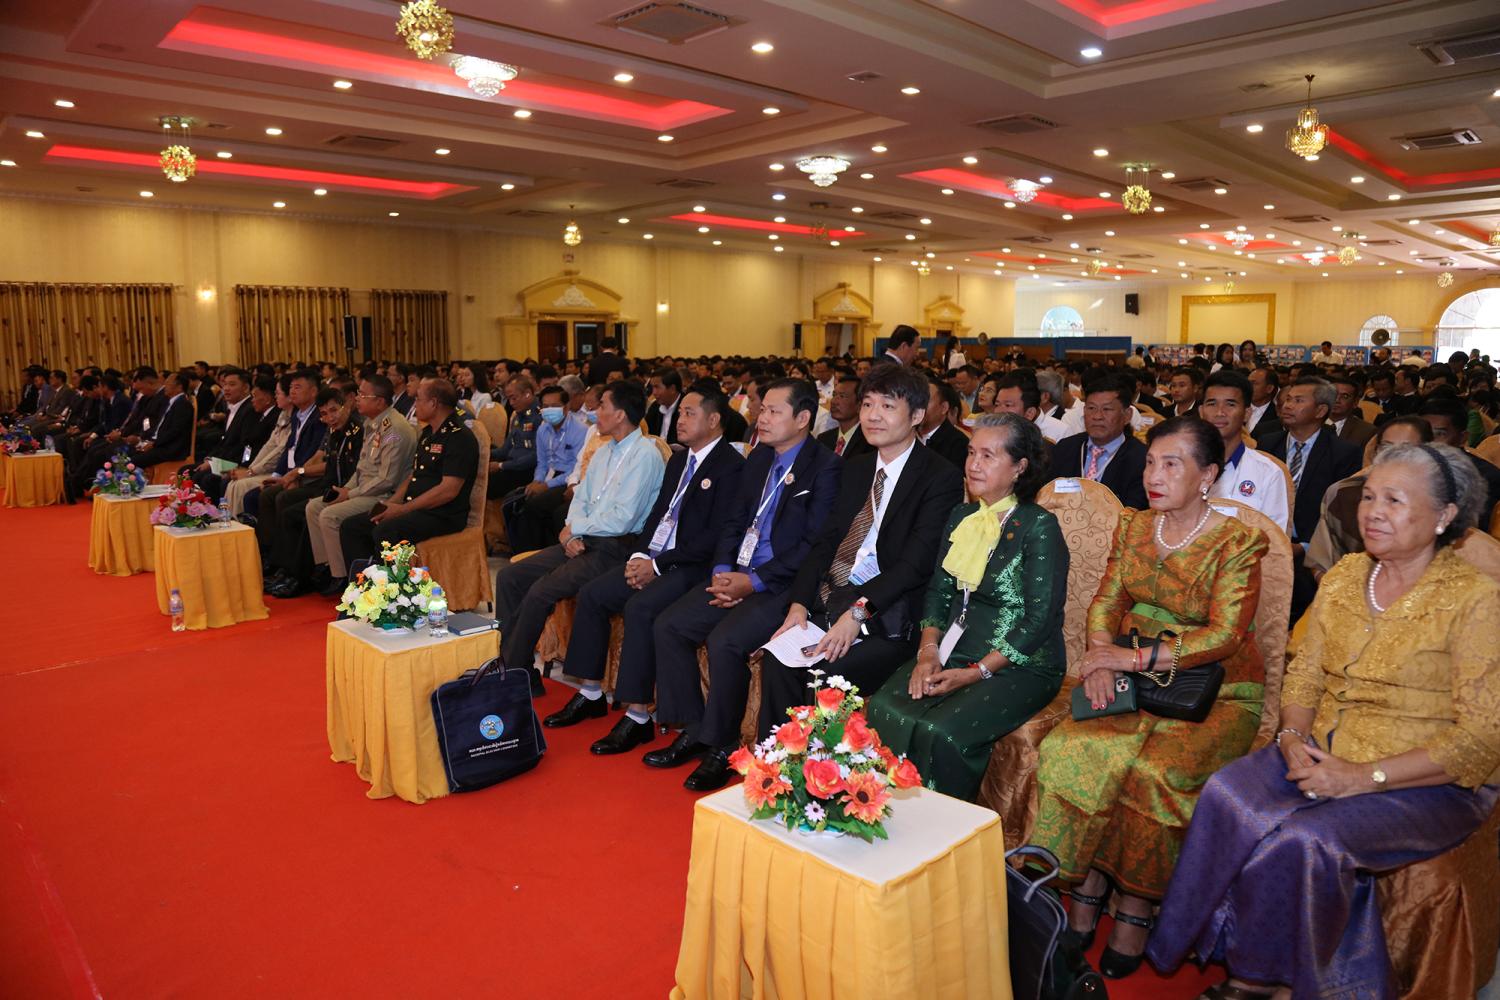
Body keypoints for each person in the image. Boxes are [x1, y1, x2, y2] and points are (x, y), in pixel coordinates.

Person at [1148, 442, 1500, 1000]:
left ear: (1445, 515)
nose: (1373, 512)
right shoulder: (1345, 576)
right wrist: (1290, 736)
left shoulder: (1478, 599)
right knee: (1226, 793)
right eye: (1370, 497)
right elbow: (1305, 674)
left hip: (1424, 778)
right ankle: (1215, 953)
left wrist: (1361, 778)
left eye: (1394, 501)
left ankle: (1275, 981)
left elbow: (1481, 739)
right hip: (1320, 746)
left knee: (1307, 841)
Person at [1031, 416, 1269, 979]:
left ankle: (1136, 905)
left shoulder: (1237, 542)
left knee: (1157, 774)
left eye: (1171, 465)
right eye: (1150, 463)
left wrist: (1128, 659)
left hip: (1215, 688)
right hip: (1128, 669)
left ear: (1207, 475)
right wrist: (1098, 654)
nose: (1154, 476)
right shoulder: (1135, 525)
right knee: (1072, 748)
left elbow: (1225, 635)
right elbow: (1107, 600)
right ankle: (1085, 886)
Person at [857, 411, 1065, 800]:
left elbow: (1039, 621)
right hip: (956, 645)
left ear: (1019, 467)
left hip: (1019, 662)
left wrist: (975, 673)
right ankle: (879, 811)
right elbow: (939, 591)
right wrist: (927, 652)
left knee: (941, 731)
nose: (973, 464)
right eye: (971, 453)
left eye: (988, 456)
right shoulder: (962, 516)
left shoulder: (1038, 527)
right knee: (885, 707)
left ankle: (942, 827)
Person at [648, 378, 841, 791]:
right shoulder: (757, 459)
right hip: (736, 571)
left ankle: (722, 745)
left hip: (782, 584)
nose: (761, 417)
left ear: (803, 419)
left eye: (773, 411)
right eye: (762, 409)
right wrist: (722, 570)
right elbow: (734, 521)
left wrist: (752, 582)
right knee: (670, 625)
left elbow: (814, 544)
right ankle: (695, 729)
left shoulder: (825, 467)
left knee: (725, 641)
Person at [760, 365, 964, 740]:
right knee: (777, 660)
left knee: (824, 676)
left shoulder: (939, 476)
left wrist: (858, 613)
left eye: (887, 406)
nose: (872, 415)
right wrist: (799, 604)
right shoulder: (855, 469)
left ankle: (822, 773)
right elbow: (825, 542)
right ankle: (774, 765)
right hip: (834, 597)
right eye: (868, 404)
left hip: (889, 616)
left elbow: (914, 566)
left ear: (917, 415)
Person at [545, 388, 745, 751]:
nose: (680, 420)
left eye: (689, 413)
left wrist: (656, 564)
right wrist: (639, 555)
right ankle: (590, 694)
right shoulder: (679, 461)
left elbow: (715, 537)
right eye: (680, 413)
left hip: (692, 565)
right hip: (656, 557)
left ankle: (638, 717)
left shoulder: (731, 467)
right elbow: (657, 515)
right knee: (594, 594)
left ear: (714, 420)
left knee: (641, 607)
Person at [492, 380, 665, 695]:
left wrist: (577, 528)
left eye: (602, 406)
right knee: (510, 577)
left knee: (540, 591)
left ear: (621, 414)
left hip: (615, 548)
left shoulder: (645, 456)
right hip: (583, 539)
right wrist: (570, 530)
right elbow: (581, 497)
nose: (595, 412)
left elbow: (622, 519)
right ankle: (517, 667)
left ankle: (512, 675)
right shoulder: (603, 451)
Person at [338, 377, 480, 568]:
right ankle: (365, 581)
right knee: (352, 526)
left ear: (433, 403)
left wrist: (403, 509)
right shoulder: (428, 433)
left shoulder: (458, 437)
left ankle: (393, 585)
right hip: (416, 507)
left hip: (442, 515)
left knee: (386, 531)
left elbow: (448, 490)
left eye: (418, 399)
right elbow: (413, 475)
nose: (414, 404)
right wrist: (391, 503)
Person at [305, 374, 420, 597]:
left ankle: (340, 576)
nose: (357, 398)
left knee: (329, 515)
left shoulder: (393, 430)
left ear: (380, 401)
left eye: (363, 395)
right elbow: (362, 468)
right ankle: (326, 566)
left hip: (384, 495)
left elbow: (387, 479)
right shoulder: (372, 423)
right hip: (365, 489)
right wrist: (345, 490)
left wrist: (350, 494)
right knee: (313, 507)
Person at [1269, 376, 1363, 617]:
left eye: (1298, 401)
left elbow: (1340, 511)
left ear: (1321, 410)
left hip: (1312, 557)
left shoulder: (1343, 453)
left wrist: (1303, 546)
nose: (1287, 405)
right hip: (1266, 548)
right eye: (1288, 399)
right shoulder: (1268, 443)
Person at [264, 387, 364, 597]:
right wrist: (303, 479)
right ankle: (285, 569)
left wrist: (302, 476)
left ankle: (300, 577)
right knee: (289, 507)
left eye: (334, 410)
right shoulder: (335, 432)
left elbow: (357, 473)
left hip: (349, 490)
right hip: (331, 487)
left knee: (301, 512)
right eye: (324, 414)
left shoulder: (358, 431)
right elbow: (330, 468)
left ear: (347, 405)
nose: (330, 418)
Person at [1305, 416, 1431, 578]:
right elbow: (1321, 563)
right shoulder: (1344, 493)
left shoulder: (1437, 502)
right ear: (1375, 451)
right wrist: (1337, 591)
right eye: (1386, 447)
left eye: (1406, 449)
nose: (1393, 456)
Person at [1199, 371, 1291, 534]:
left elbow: (1275, 539)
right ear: (1201, 411)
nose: (1219, 412)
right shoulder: (1180, 466)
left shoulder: (1268, 472)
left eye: (1230, 404)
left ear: (1247, 414)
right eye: (1212, 404)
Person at [503, 384, 588, 553]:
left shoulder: (580, 430)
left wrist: (547, 486)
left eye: (555, 406)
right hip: (548, 475)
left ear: (566, 407)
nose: (550, 410)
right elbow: (542, 462)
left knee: (535, 505)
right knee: (512, 501)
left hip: (567, 479)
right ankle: (519, 551)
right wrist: (537, 481)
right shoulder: (543, 429)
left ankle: (535, 551)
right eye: (546, 406)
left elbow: (575, 468)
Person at [1050, 373, 1149, 510]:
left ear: (1127, 416)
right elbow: (1049, 495)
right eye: (1091, 408)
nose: (1097, 416)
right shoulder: (1065, 448)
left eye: (1107, 409)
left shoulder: (1142, 459)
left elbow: (1135, 509)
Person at [1421, 394, 1500, 519]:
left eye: (1440, 434)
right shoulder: (1407, 467)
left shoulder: (1486, 478)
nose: (1429, 441)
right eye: (1425, 433)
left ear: (1463, 438)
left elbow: (1477, 527)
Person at [487, 375, 540, 501]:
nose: (511, 403)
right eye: (509, 399)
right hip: (510, 465)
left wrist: (501, 465)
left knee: (486, 484)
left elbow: (536, 456)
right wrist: (482, 454)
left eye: (514, 398)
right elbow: (504, 450)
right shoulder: (518, 416)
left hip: (526, 470)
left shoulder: (539, 416)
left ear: (527, 393)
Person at [126, 370, 194, 468]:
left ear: (179, 387)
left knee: (132, 461)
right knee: (128, 453)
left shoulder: (183, 404)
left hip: (170, 449)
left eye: (168, 384)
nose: (165, 386)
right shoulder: (171, 402)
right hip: (160, 444)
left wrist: (154, 444)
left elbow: (175, 431)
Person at [917, 376, 969, 469]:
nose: (918, 405)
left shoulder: (958, 444)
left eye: (925, 401)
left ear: (944, 408)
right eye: (916, 399)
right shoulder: (907, 435)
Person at [815, 373, 871, 458]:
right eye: (834, 395)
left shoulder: (869, 442)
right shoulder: (823, 439)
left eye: (842, 396)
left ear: (860, 405)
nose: (834, 401)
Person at [1329, 370, 1377, 449]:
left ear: (1355, 402)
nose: (1337, 400)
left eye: (1345, 396)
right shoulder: (1310, 424)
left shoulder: (1367, 431)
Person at [1246, 367, 1282, 445]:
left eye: (1254, 383)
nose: (1248, 387)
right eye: (1247, 383)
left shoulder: (1277, 415)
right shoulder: (1239, 409)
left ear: (1269, 388)